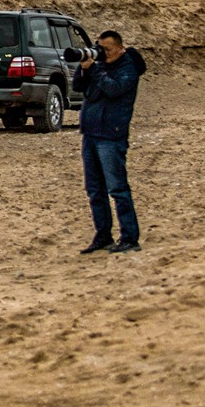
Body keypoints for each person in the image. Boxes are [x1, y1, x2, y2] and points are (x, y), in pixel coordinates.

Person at [75, 30, 146, 253]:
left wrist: (94, 69)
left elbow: (114, 89)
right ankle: (103, 235)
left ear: (120, 48)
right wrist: (85, 68)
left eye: (106, 49)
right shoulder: (99, 65)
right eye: (100, 48)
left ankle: (130, 237)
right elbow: (78, 87)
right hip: (91, 134)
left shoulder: (128, 68)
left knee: (117, 188)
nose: (102, 53)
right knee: (95, 190)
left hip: (111, 136)